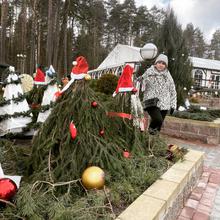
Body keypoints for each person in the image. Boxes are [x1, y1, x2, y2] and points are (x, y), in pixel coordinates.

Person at [142, 54, 177, 135]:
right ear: (155, 63)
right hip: (151, 102)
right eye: (159, 62)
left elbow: (173, 91)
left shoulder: (168, 76)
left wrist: (173, 105)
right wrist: (143, 79)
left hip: (165, 103)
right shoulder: (149, 72)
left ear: (166, 65)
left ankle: (153, 141)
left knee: (158, 126)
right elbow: (142, 84)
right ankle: (149, 135)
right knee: (158, 120)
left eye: (163, 63)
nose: (161, 65)